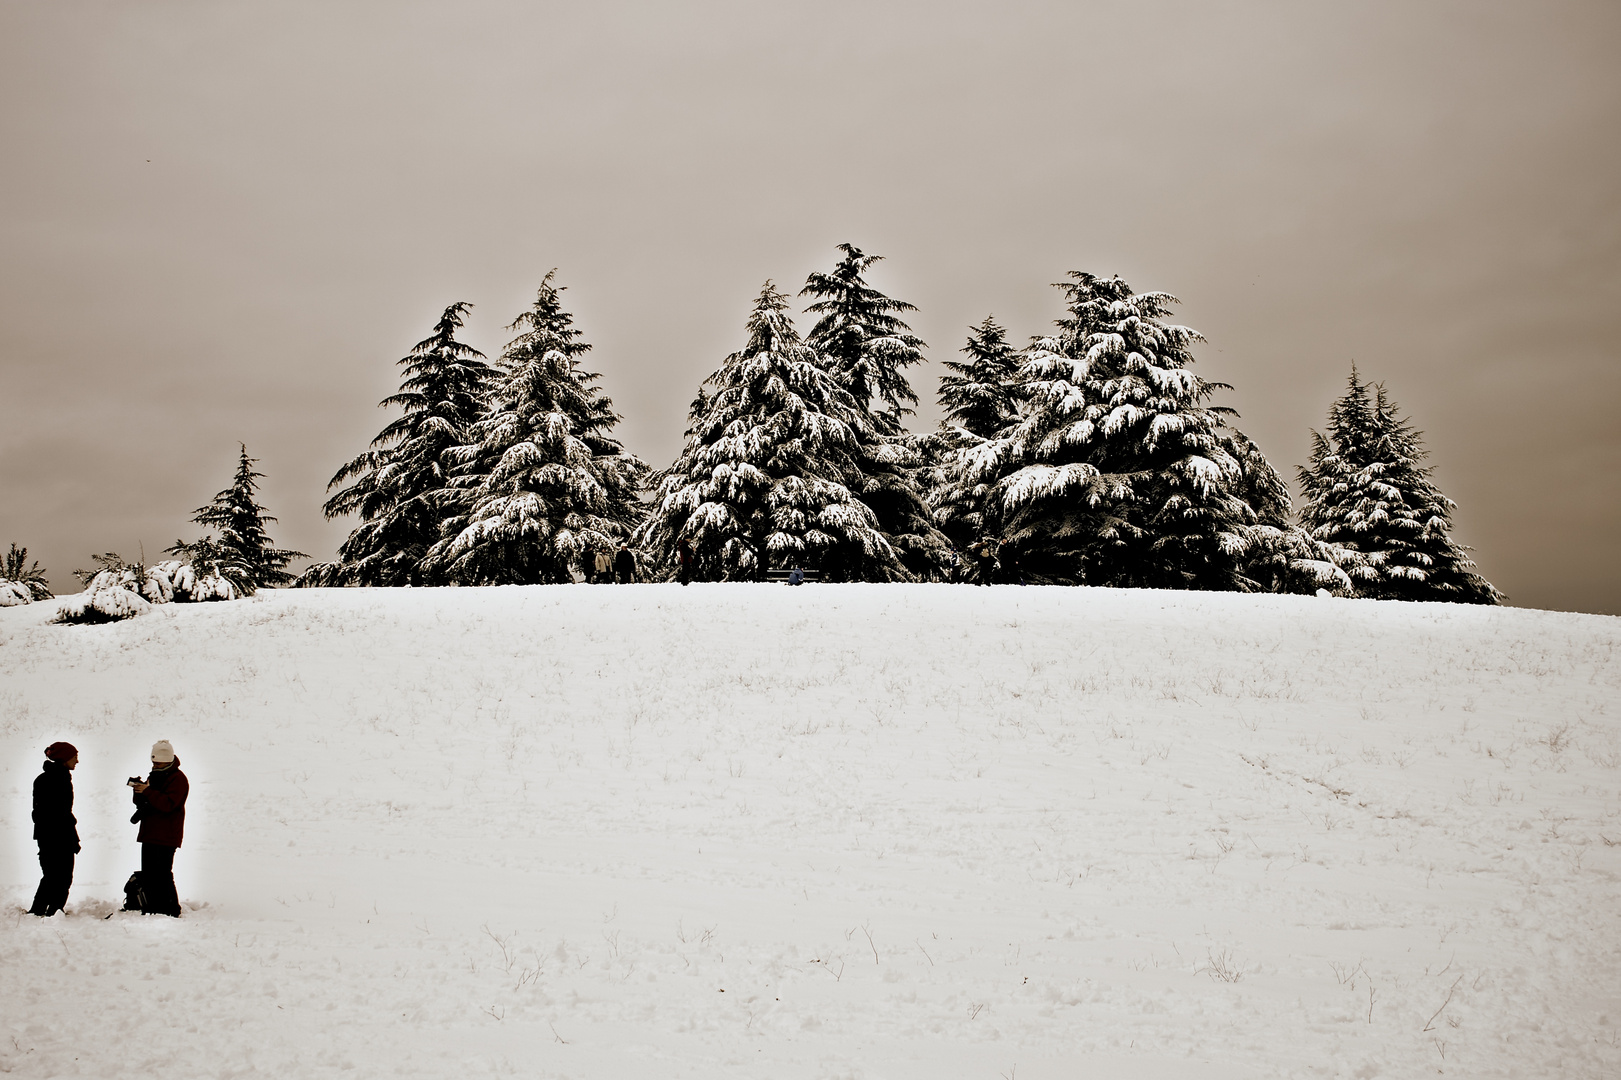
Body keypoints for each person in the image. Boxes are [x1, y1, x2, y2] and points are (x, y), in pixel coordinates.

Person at [130, 739, 188, 917]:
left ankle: (170, 909)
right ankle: (153, 907)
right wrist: (138, 791)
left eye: (157, 762)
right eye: (153, 761)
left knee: (162, 873)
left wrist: (147, 791)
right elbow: (144, 802)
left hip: (166, 835)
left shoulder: (178, 779)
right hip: (150, 832)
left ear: (168, 759)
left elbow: (168, 804)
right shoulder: (155, 775)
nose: (154, 764)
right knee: (149, 874)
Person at [29, 742, 80, 917]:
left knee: (56, 876)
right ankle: (46, 911)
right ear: (64, 758)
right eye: (74, 757)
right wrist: (69, 837)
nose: (77, 761)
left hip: (53, 835)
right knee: (57, 876)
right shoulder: (54, 779)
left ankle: (48, 911)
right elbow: (56, 813)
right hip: (54, 836)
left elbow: (60, 813)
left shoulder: (57, 777)